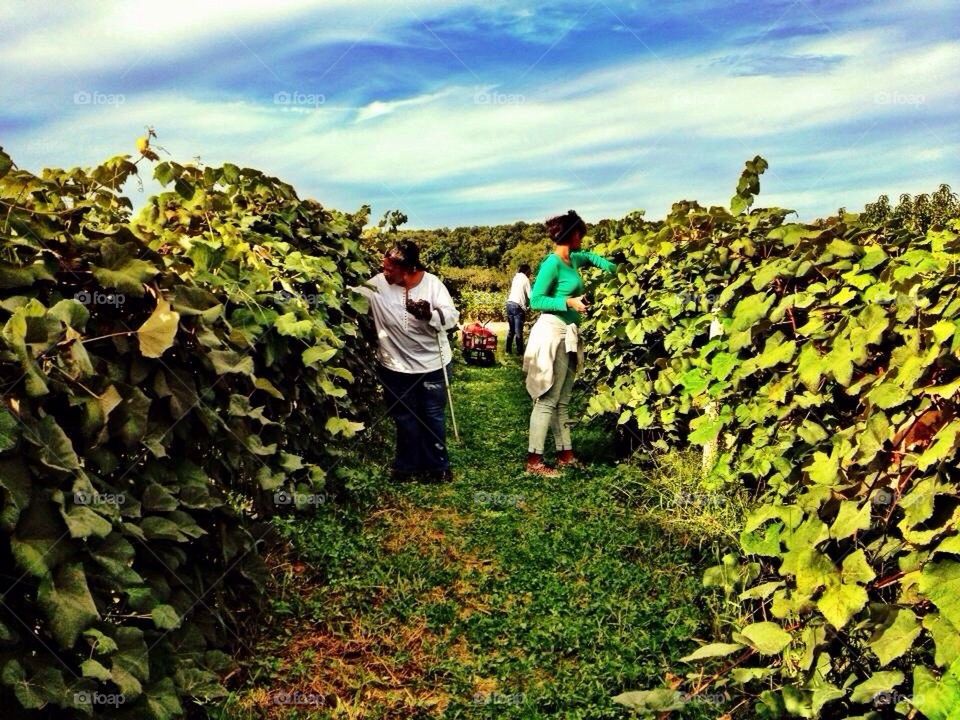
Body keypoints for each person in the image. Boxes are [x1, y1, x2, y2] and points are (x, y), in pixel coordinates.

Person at [350, 240, 460, 482]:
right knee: (405, 417)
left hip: (432, 364)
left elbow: (451, 317)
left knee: (432, 416)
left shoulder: (432, 285)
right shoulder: (377, 286)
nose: (384, 272)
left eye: (390, 269)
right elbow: (350, 299)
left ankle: (437, 468)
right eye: (384, 267)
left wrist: (429, 314)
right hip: (395, 365)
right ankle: (407, 468)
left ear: (408, 267)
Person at [522, 210, 617, 476]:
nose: (582, 239)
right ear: (572, 234)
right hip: (552, 333)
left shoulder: (574, 258)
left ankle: (566, 455)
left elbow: (594, 259)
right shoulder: (551, 264)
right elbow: (536, 300)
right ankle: (534, 462)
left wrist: (619, 268)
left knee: (562, 400)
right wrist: (568, 302)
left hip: (569, 334)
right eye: (581, 234)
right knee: (547, 399)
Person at [505, 263, 532, 355]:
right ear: (527, 271)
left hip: (509, 304)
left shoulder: (516, 278)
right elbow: (530, 296)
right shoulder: (525, 279)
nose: (530, 274)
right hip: (517, 306)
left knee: (511, 330)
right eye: (530, 272)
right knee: (518, 331)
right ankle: (520, 352)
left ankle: (508, 351)